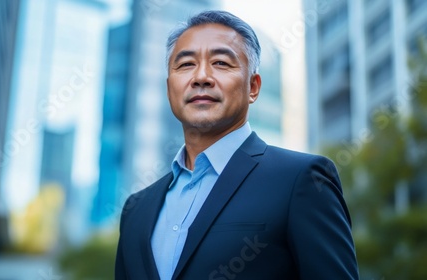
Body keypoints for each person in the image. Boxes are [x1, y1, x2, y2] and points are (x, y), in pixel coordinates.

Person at [115, 10, 359, 280]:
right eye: (185, 65)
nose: (201, 77)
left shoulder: (301, 180)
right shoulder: (136, 209)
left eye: (220, 63)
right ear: (169, 86)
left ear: (253, 87)